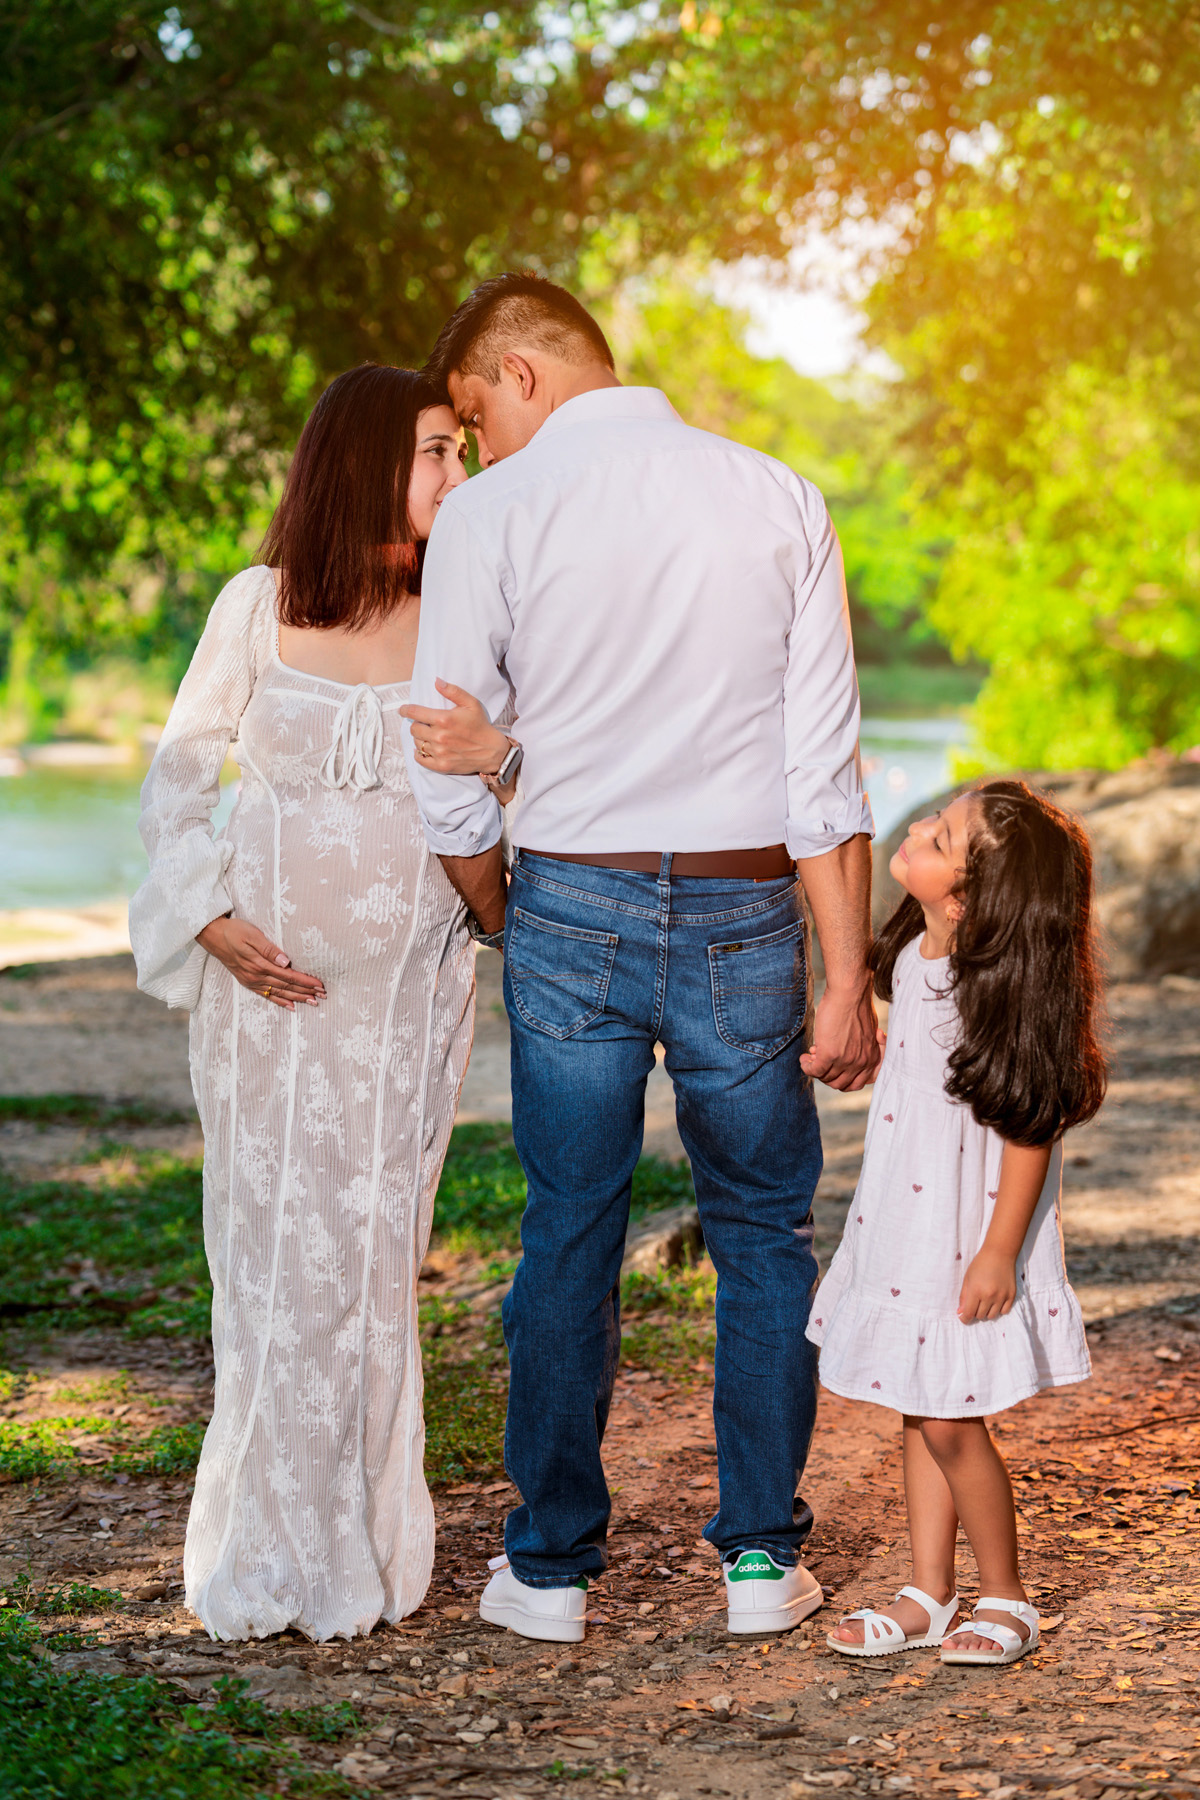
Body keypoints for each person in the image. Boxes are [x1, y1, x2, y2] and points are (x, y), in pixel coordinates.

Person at [401, 272, 880, 1645]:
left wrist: (509, 909)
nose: (477, 446)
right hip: (746, 909)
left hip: (569, 898)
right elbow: (822, 775)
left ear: (522, 373)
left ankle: (550, 1571)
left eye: (476, 415)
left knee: (569, 1226)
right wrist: (846, 980)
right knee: (763, 1230)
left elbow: (445, 766)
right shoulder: (779, 495)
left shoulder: (494, 511)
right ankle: (759, 1564)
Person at [129, 364, 516, 1642]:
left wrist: (505, 767)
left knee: (371, 1260)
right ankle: (261, 1543)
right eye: (435, 451)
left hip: (403, 1009)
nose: (457, 474)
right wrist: (209, 920)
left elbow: (535, 788)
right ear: (363, 460)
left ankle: (363, 1540)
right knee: (264, 1258)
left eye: (459, 451)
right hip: (265, 1010)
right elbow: (178, 780)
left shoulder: (469, 617)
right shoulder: (257, 606)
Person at [812, 779, 1106, 1666]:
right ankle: (928, 1592)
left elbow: (1028, 1131)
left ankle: (1007, 1595)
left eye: (939, 838)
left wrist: (1000, 1252)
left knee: (950, 1420)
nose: (917, 828)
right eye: (936, 822)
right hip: (908, 1223)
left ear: (970, 900)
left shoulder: (995, 990)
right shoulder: (915, 955)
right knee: (918, 1404)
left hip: (967, 1234)